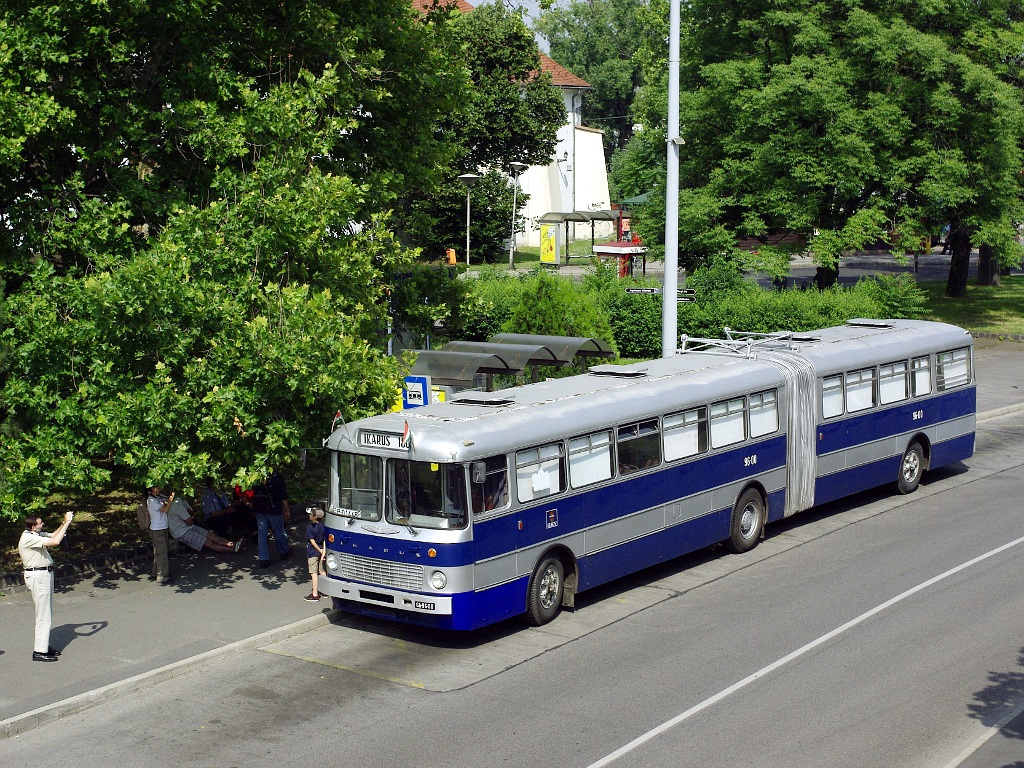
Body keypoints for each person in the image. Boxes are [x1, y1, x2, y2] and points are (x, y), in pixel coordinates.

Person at [19, 511, 74, 661]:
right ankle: (39, 652)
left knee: (46, 612)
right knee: (43, 614)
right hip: (38, 576)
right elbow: (56, 542)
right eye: (40, 523)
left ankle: (43, 646)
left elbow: (54, 535)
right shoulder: (28, 538)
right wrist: (68, 522)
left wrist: (63, 523)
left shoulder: (35, 535)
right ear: (33, 526)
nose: (42, 524)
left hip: (44, 575)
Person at [166, 494, 242, 554]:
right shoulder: (176, 504)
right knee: (208, 542)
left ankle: (233, 544)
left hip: (188, 527)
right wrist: (188, 516)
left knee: (212, 536)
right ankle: (232, 549)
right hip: (181, 532)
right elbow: (190, 521)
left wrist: (189, 515)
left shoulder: (182, 501)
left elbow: (192, 512)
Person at [252, 481, 290, 568]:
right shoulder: (275, 477)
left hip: (259, 509)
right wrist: (287, 509)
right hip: (274, 509)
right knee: (278, 531)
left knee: (261, 534)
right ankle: (284, 552)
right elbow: (283, 494)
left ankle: (263, 559)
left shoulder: (256, 476)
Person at [146, 485, 174, 585]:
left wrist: (169, 497)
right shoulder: (151, 501)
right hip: (157, 529)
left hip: (163, 527)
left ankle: (155, 572)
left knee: (160, 551)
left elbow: (166, 500)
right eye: (157, 488)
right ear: (151, 489)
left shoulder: (159, 497)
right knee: (162, 553)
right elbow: (165, 509)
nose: (159, 489)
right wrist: (170, 500)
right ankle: (162, 576)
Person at [304, 507, 326, 602]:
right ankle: (325, 591)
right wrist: (323, 551)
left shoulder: (309, 528)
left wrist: (318, 550)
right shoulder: (323, 527)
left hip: (313, 553)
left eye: (310, 514)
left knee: (314, 573)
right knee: (322, 571)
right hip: (321, 552)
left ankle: (315, 594)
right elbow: (325, 540)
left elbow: (312, 542)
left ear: (314, 517)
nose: (309, 515)